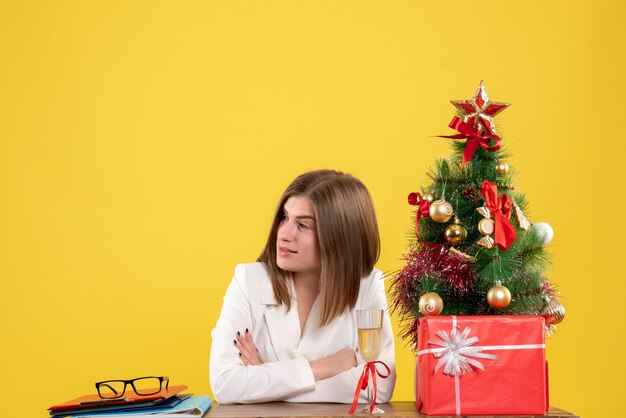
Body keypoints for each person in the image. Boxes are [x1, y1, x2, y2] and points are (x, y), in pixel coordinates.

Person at [209, 169, 396, 404]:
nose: (284, 234)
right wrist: (323, 368)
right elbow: (225, 384)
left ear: (339, 236)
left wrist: (268, 380)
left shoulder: (367, 286)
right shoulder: (248, 280)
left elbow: (379, 386)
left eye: (303, 225)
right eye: (284, 218)